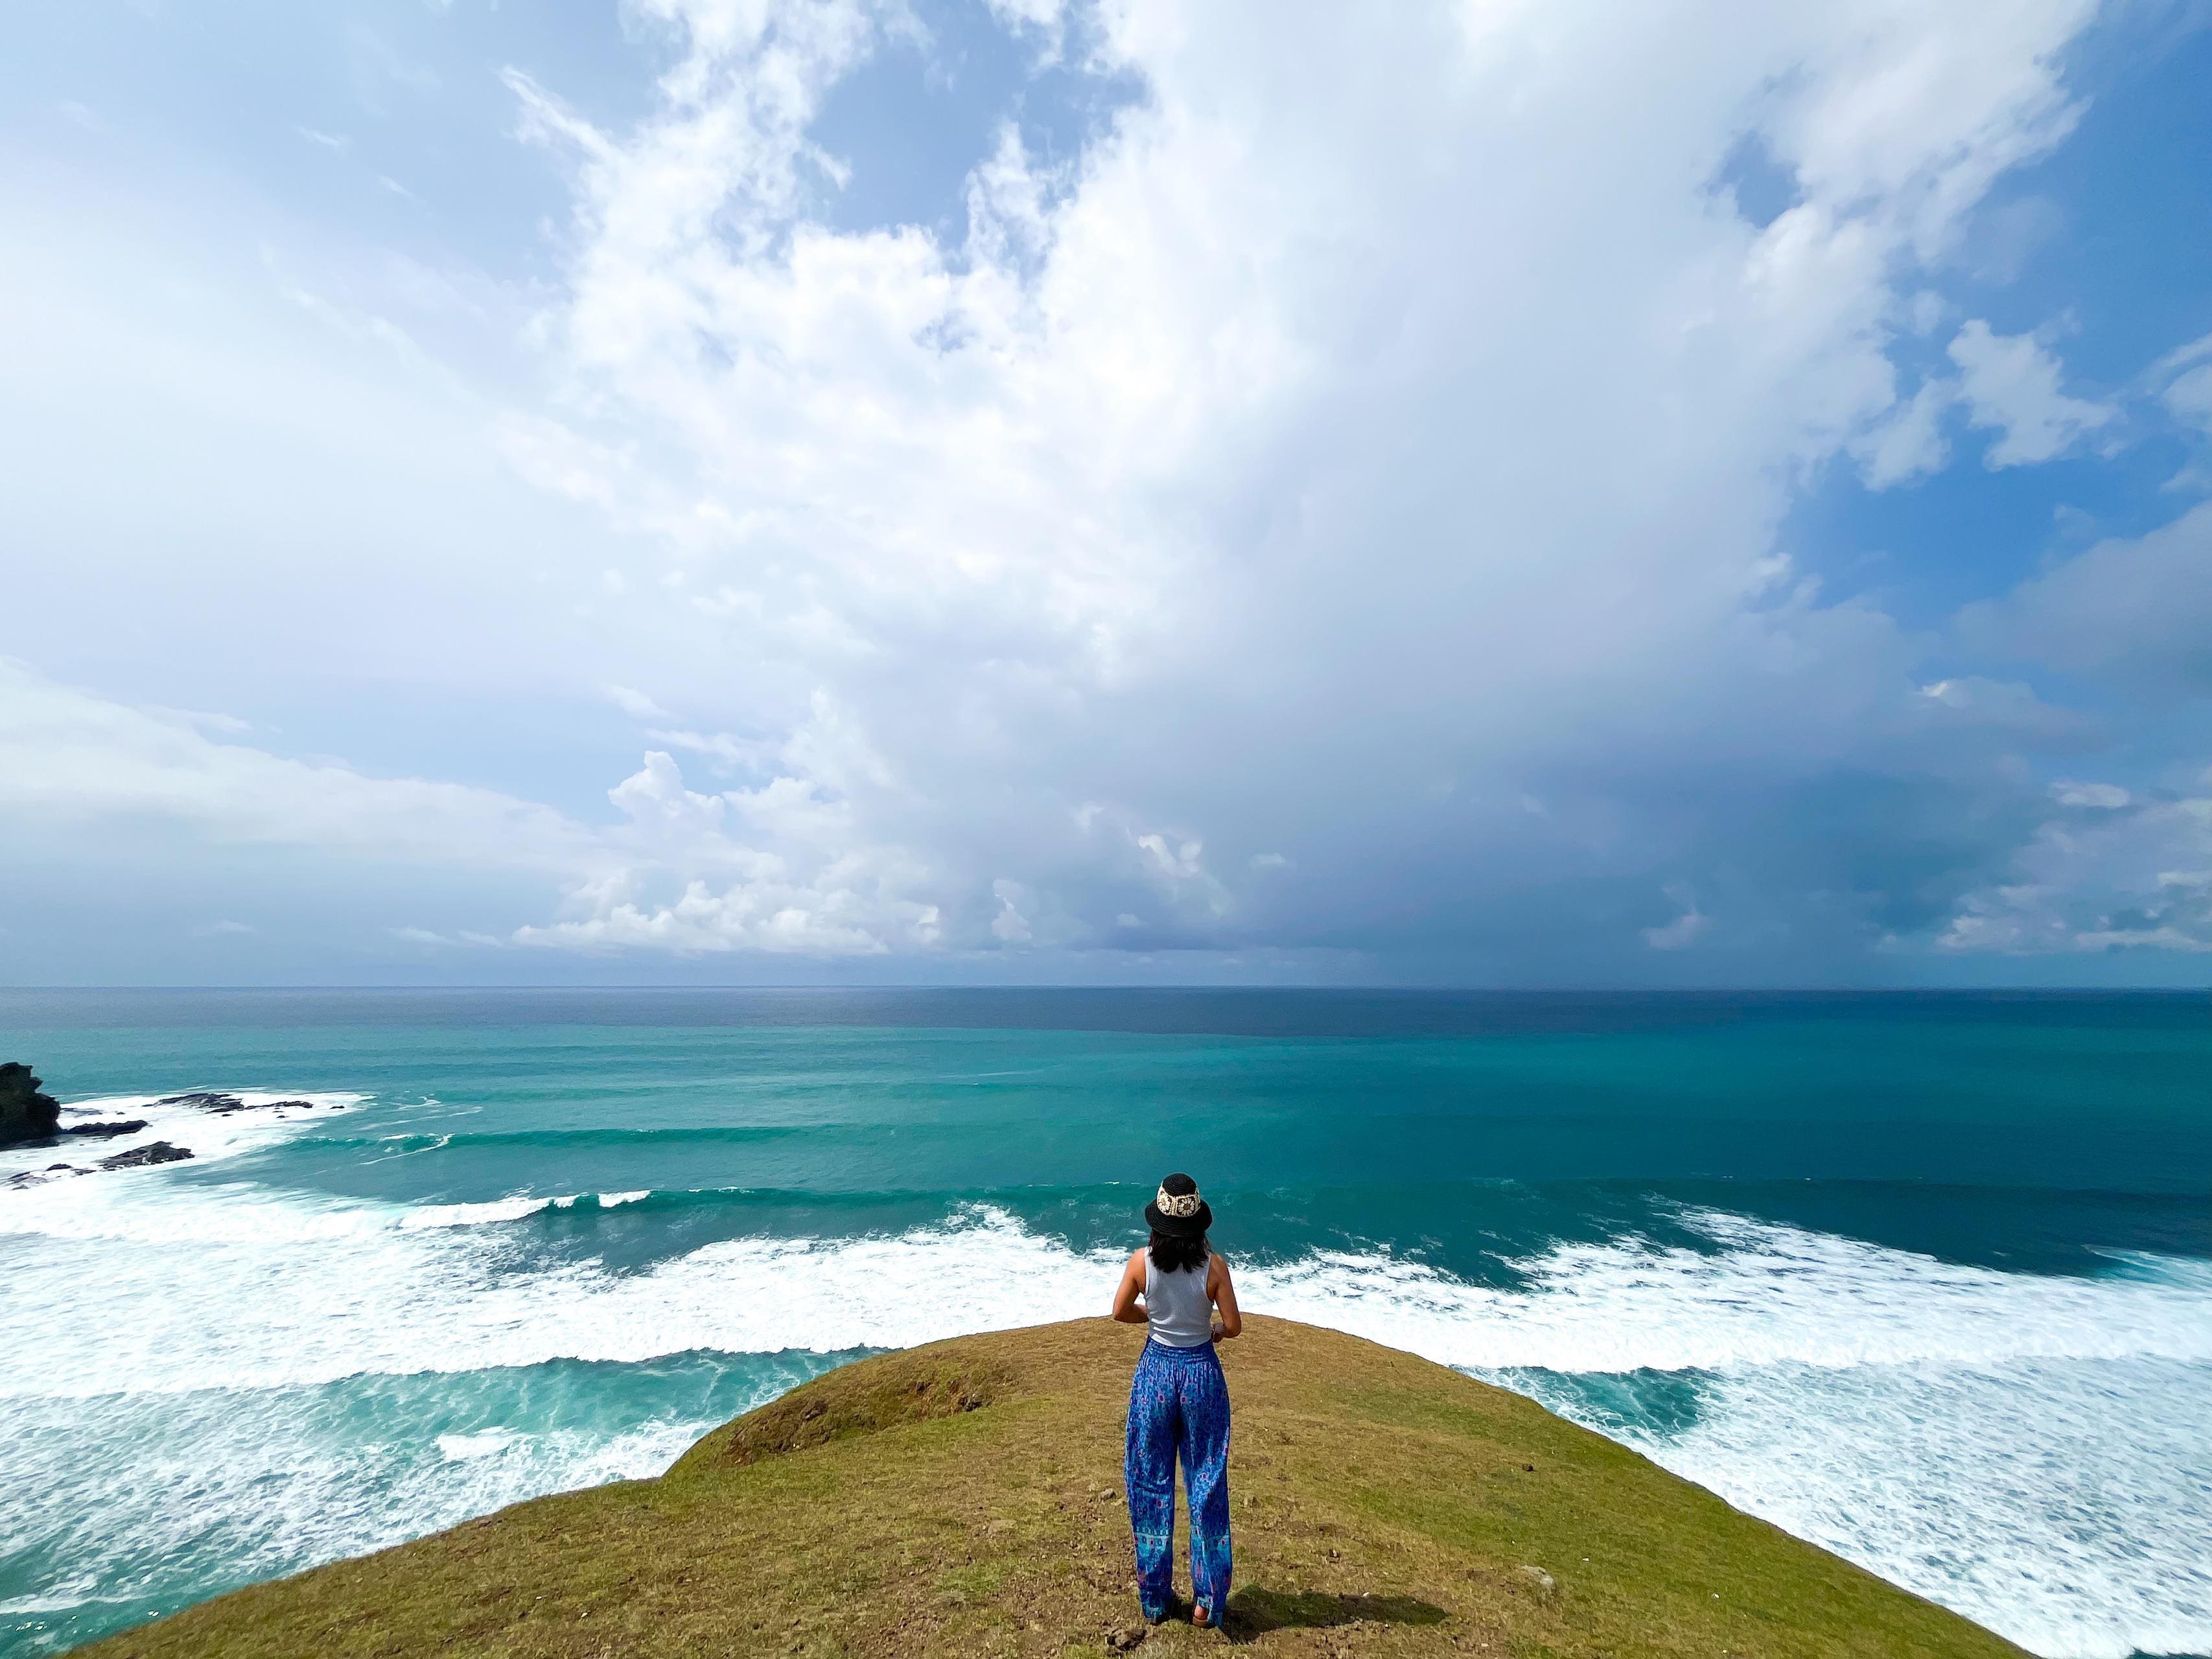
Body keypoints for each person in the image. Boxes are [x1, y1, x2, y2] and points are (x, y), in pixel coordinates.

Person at [1110, 1171, 1242, 1630]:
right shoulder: (1214, 1267)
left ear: (1157, 1222)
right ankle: (1207, 1600)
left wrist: (1152, 1316)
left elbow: (1119, 1311)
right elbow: (1234, 1325)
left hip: (1155, 1374)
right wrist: (1211, 1329)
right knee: (1207, 1482)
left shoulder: (1141, 1263)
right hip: (1201, 1373)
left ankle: (1155, 1598)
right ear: (1198, 1222)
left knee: (1149, 1481)